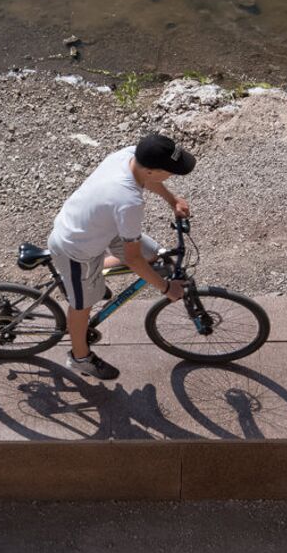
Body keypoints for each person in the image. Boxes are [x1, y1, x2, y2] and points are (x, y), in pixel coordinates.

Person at [47, 133, 195, 383]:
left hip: (98, 226)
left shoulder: (130, 155)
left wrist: (172, 200)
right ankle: (80, 357)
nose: (171, 176)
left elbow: (148, 180)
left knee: (154, 255)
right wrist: (166, 288)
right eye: (169, 172)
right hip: (76, 247)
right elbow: (133, 258)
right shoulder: (128, 202)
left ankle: (90, 278)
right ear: (152, 170)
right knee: (82, 305)